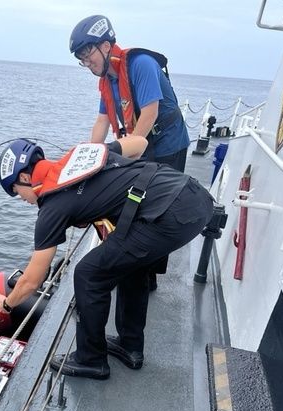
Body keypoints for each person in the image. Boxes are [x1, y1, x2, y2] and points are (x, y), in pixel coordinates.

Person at [0, 137, 213, 379]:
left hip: (169, 216)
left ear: (24, 178)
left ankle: (91, 360)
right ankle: (130, 346)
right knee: (131, 265)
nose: (21, 199)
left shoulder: (52, 207)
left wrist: (6, 304)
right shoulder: (80, 156)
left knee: (88, 274)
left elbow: (31, 281)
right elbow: (139, 143)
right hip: (193, 195)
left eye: (15, 191)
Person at [70, 14, 191, 290]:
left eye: (89, 54)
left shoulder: (141, 64)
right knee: (135, 206)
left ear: (105, 45)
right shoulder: (107, 81)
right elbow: (102, 121)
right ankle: (138, 269)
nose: (88, 64)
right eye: (82, 59)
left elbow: (150, 113)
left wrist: (128, 153)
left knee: (160, 209)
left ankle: (148, 276)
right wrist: (89, 158)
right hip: (141, 145)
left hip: (168, 145)